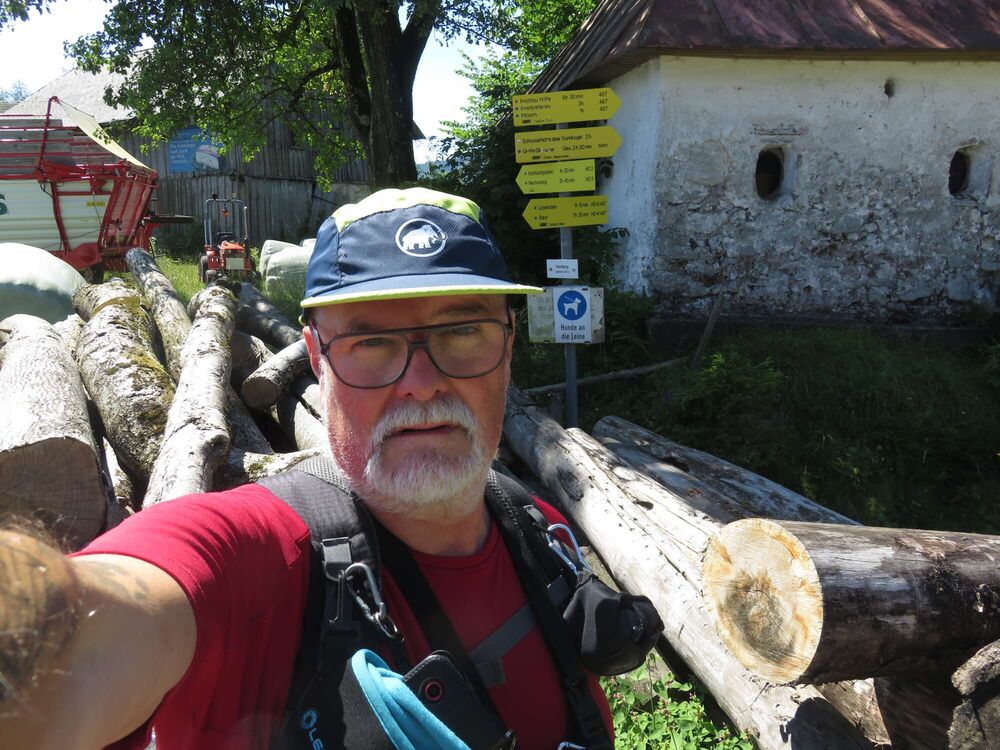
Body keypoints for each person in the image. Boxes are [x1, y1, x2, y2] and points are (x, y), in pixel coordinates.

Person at [0, 188, 620, 750]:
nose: (423, 384)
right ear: (317, 360)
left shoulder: (537, 530)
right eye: (371, 342)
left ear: (508, 346)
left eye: (462, 331)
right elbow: (89, 623)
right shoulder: (258, 557)